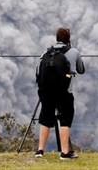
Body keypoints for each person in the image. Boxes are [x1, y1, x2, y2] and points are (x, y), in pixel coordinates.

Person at [35, 27, 85, 160]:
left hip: (46, 92)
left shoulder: (47, 51)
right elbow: (81, 70)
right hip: (65, 92)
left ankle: (40, 151)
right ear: (69, 39)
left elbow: (39, 69)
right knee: (65, 120)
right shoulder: (74, 52)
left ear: (56, 38)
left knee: (45, 120)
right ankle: (64, 152)